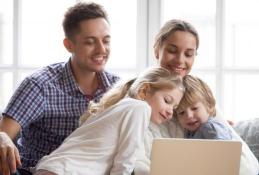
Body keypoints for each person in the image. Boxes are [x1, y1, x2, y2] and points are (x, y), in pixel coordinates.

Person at [0, 2, 119, 175]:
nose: (101, 49)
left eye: (106, 41)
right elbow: (4, 133)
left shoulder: (118, 89)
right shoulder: (39, 85)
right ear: (69, 45)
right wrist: (3, 138)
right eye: (90, 42)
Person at [134, 19, 259, 175]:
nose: (180, 60)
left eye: (188, 54)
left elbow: (233, 153)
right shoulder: (141, 96)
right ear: (157, 51)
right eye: (172, 50)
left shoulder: (195, 93)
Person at [31, 67, 185, 175]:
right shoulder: (139, 108)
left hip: (52, 167)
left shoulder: (117, 108)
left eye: (175, 107)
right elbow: (126, 159)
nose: (170, 110)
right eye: (167, 100)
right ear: (144, 90)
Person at [175, 75, 232, 140]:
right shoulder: (189, 132)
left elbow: (224, 148)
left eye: (194, 108)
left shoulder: (210, 127)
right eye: (181, 113)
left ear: (209, 105)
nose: (189, 116)